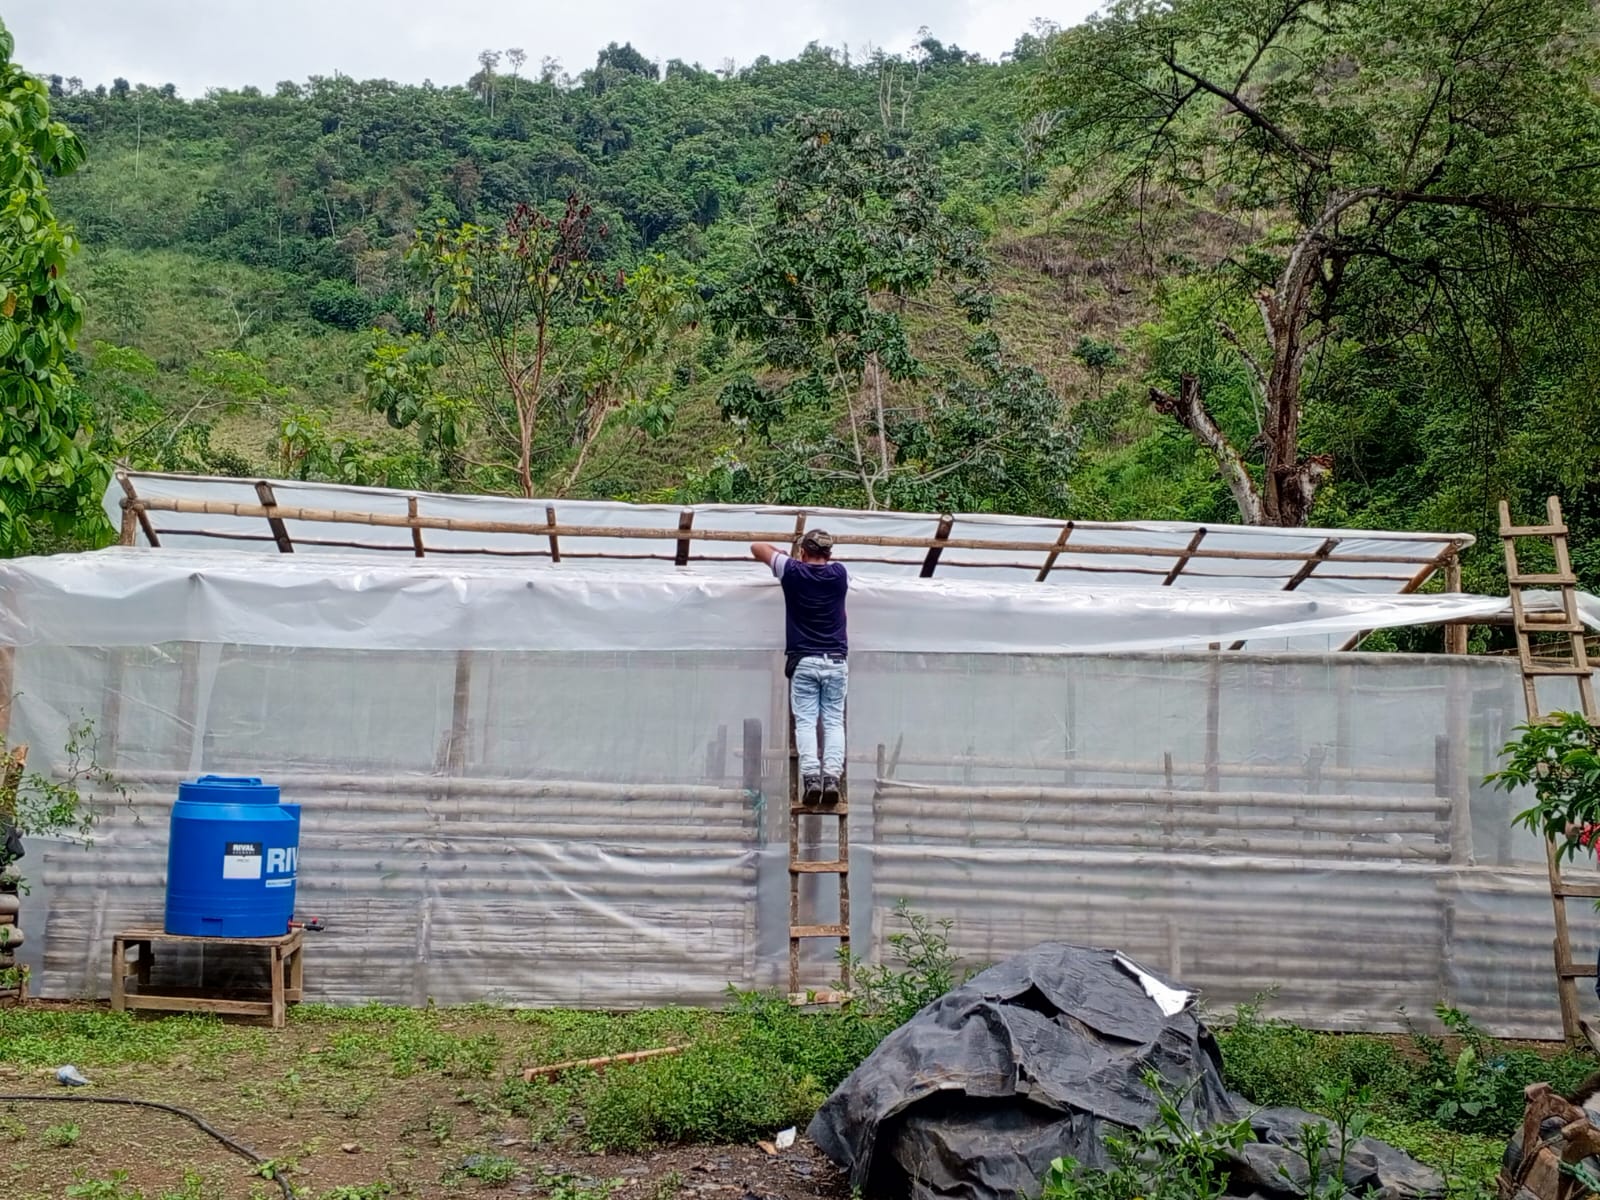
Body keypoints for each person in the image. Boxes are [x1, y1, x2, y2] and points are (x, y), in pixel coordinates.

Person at [751, 530, 848, 805]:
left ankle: (811, 779)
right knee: (833, 721)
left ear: (803, 552)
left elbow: (757, 547)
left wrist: (785, 556)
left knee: (806, 722)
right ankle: (831, 778)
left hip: (804, 660)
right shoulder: (839, 574)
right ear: (830, 554)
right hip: (836, 660)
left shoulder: (792, 571)